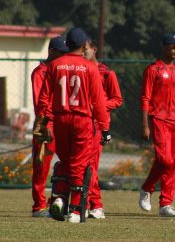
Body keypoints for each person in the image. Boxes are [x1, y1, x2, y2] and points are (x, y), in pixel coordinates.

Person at [34, 27, 110, 223]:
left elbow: (43, 98)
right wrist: (105, 126)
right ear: (84, 45)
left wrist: (43, 121)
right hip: (82, 120)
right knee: (79, 164)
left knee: (65, 162)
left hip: (60, 119)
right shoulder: (91, 67)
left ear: (67, 44)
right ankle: (75, 210)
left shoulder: (55, 65)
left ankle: (59, 197)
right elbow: (99, 101)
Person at [139, 33, 175, 217]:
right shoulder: (153, 69)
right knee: (165, 160)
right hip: (159, 119)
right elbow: (145, 97)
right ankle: (147, 188)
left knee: (174, 163)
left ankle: (166, 204)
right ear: (164, 47)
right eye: (173, 46)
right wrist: (145, 124)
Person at [83, 40, 123, 219]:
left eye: (86, 49)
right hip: (80, 123)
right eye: (80, 50)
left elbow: (117, 99)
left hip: (98, 125)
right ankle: (83, 204)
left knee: (90, 166)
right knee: (79, 166)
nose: (83, 53)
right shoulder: (80, 70)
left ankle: (96, 205)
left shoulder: (107, 73)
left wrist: (98, 106)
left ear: (94, 49)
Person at [30, 36, 68, 217]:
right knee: (41, 166)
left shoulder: (61, 70)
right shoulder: (40, 72)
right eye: (61, 53)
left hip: (64, 121)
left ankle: (61, 202)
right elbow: (40, 103)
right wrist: (44, 126)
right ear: (51, 51)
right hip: (46, 122)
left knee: (70, 163)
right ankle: (38, 207)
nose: (63, 57)